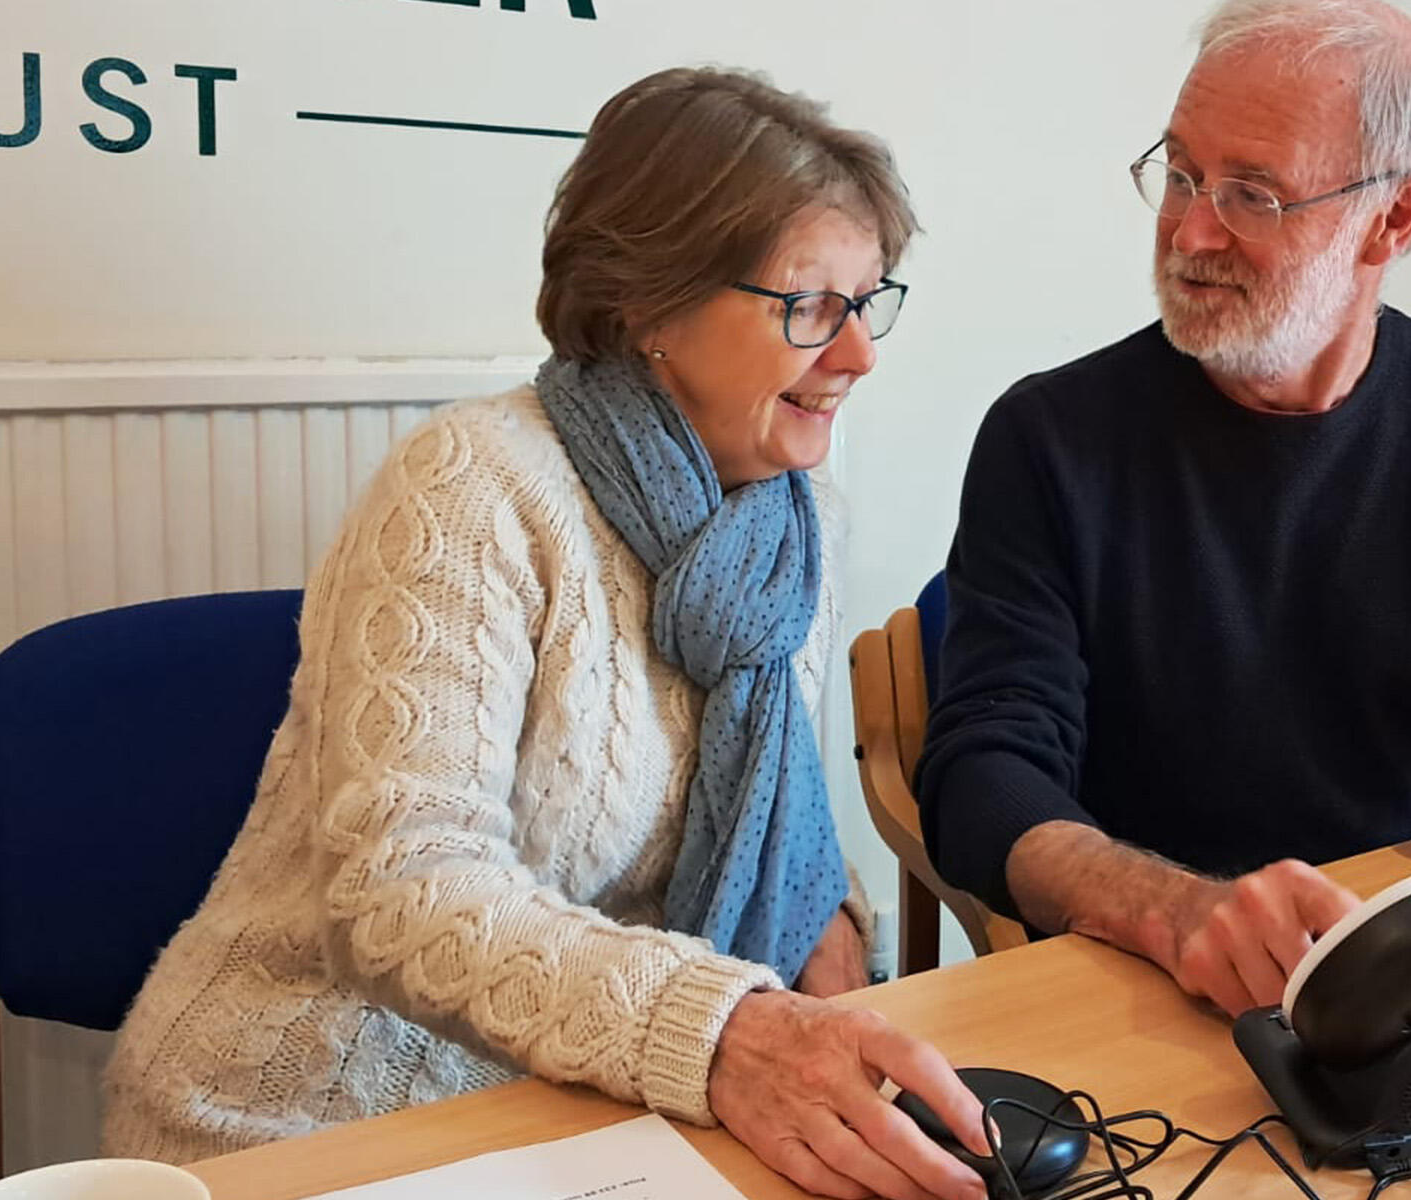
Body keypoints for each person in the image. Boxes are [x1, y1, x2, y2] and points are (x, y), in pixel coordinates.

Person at [104, 67, 993, 1200]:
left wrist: (838, 978)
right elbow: (402, 893)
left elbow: (772, 827)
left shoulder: (793, 522)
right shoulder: (472, 488)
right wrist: (728, 1028)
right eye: (809, 306)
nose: (860, 354)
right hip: (319, 1110)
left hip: (602, 1105)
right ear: (646, 304)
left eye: (869, 302)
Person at [918, 0, 1411, 1142]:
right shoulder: (1048, 438)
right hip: (1145, 1001)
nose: (1190, 232)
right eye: (1180, 174)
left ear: (1397, 216)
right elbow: (984, 776)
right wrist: (1178, 913)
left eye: (1253, 195)